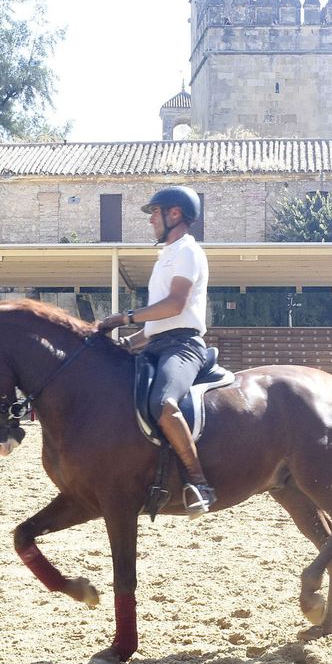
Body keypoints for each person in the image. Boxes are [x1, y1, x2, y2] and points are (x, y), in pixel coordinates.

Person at [97, 186, 216, 516]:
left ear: (174, 214)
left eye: (155, 212)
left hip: (184, 346)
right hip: (156, 345)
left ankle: (198, 482)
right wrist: (125, 343)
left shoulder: (188, 252)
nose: (151, 219)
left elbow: (175, 305)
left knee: (163, 404)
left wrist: (123, 317)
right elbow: (153, 328)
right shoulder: (166, 257)